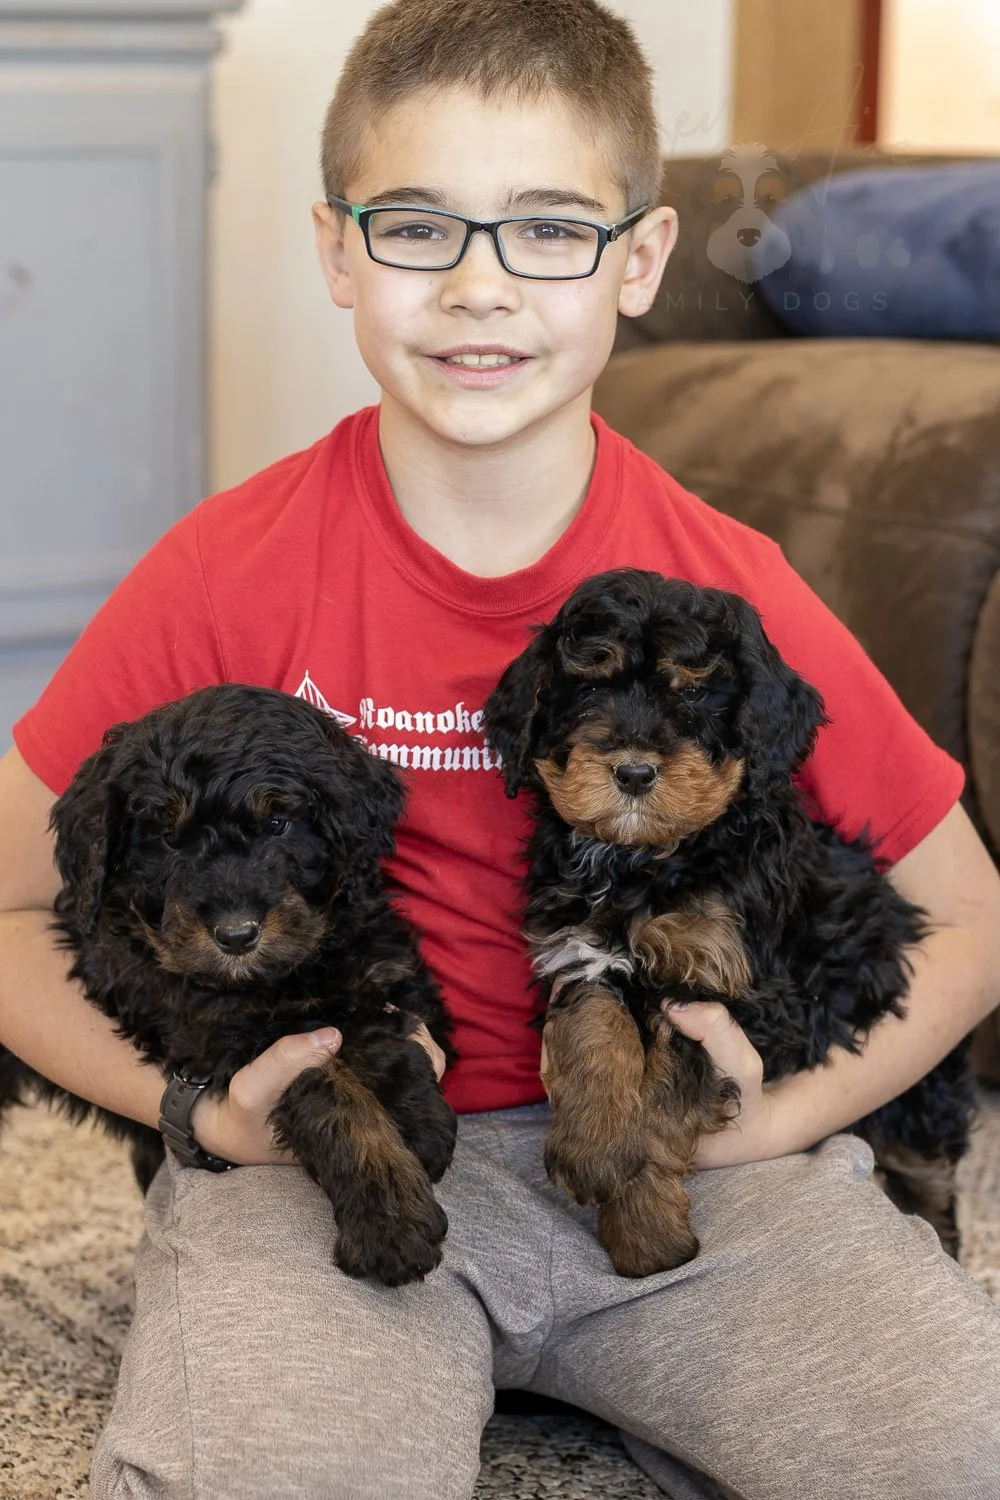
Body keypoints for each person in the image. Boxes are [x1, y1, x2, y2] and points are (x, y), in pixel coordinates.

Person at [1, 1, 999, 1495]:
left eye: (547, 230)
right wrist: (198, 1109)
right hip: (333, 1158)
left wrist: (770, 1124)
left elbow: (974, 917)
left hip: (687, 1161)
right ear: (337, 251)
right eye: (416, 227)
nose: (479, 286)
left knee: (948, 1452)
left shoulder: (727, 586)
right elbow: (10, 907)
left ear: (642, 262)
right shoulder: (225, 571)